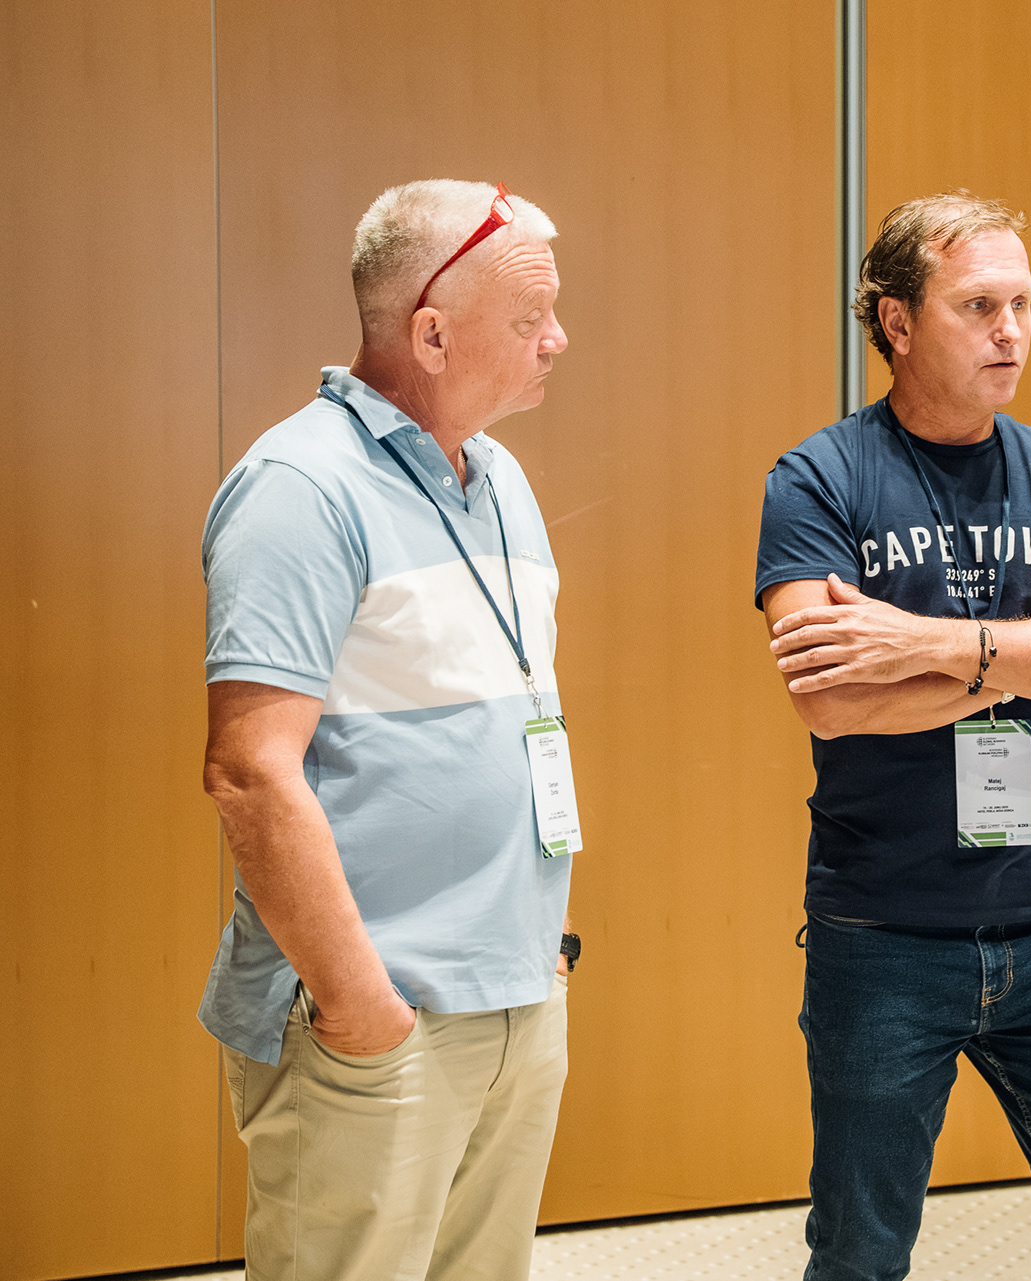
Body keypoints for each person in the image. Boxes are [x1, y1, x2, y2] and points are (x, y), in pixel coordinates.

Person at [756, 191, 1031, 1281]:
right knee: (860, 1254)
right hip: (881, 935)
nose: (1011, 331)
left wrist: (922, 645)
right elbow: (830, 699)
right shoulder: (818, 479)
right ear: (897, 322)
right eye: (979, 305)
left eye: (1023, 304)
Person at [198, 179, 580, 1281]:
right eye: (530, 316)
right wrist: (362, 1006)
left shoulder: (499, 476)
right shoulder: (299, 486)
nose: (558, 339)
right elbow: (249, 773)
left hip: (517, 993)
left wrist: (542, 952)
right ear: (432, 334)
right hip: (374, 1015)